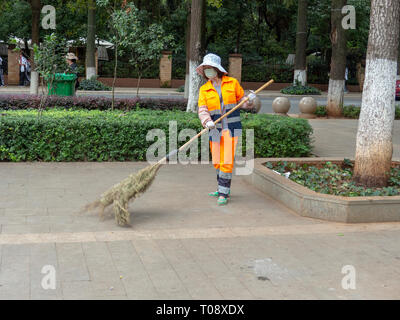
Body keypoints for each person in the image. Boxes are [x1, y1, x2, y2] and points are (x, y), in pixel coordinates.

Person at [196, 53, 256, 206]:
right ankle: (222, 188)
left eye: (210, 68)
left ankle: (223, 193)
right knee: (217, 161)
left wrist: (249, 100)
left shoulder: (232, 83)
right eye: (205, 69)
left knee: (226, 161)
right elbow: (202, 109)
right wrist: (207, 121)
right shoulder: (204, 89)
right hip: (214, 129)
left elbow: (242, 102)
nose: (207, 71)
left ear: (217, 69)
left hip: (232, 129)